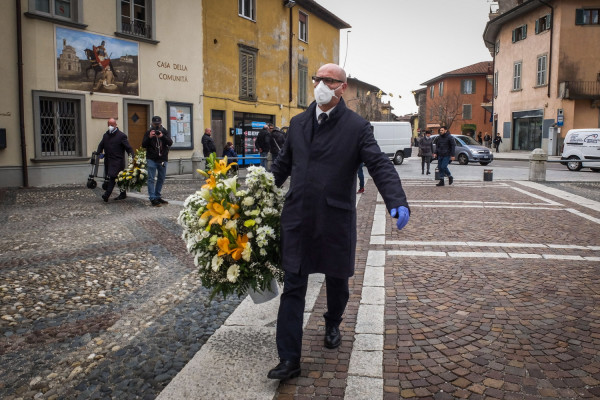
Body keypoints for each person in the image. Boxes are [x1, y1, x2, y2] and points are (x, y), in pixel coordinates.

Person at [267, 63, 410, 381]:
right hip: (298, 219)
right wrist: (258, 192)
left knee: (338, 283)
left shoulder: (357, 126)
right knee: (293, 287)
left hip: (334, 220)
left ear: (342, 87)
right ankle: (289, 359)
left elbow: (378, 164)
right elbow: (282, 165)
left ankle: (332, 322)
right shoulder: (299, 122)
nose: (319, 84)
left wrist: (396, 201)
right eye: (317, 79)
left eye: (328, 80)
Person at [96, 118, 133, 202]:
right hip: (108, 160)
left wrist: (132, 156)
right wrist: (99, 153)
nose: (110, 126)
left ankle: (106, 195)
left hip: (118, 161)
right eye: (109, 125)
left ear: (116, 125)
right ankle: (123, 193)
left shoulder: (121, 136)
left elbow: (128, 148)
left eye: (112, 125)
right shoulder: (106, 135)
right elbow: (101, 145)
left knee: (112, 177)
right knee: (118, 178)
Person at [142, 116, 173, 207]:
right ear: (152, 123)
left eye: (158, 124)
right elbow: (143, 144)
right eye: (155, 124)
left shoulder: (164, 131)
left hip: (162, 159)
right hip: (151, 159)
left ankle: (157, 196)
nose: (156, 126)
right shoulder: (148, 132)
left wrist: (162, 136)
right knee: (151, 179)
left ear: (160, 123)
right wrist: (149, 137)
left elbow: (170, 142)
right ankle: (152, 198)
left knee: (161, 178)